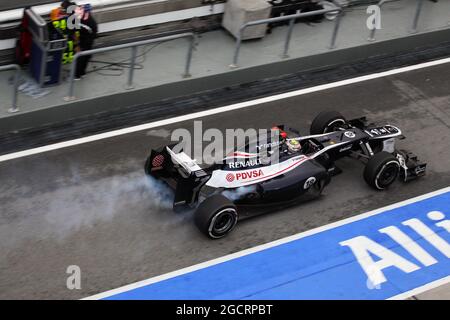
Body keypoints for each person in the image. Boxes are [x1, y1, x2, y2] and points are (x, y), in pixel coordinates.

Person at [75, 4, 98, 80]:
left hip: (87, 42)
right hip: (82, 40)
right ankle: (81, 73)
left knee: (83, 57)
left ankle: (77, 75)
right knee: (84, 57)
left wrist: (81, 44)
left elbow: (94, 34)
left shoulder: (92, 23)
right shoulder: (80, 18)